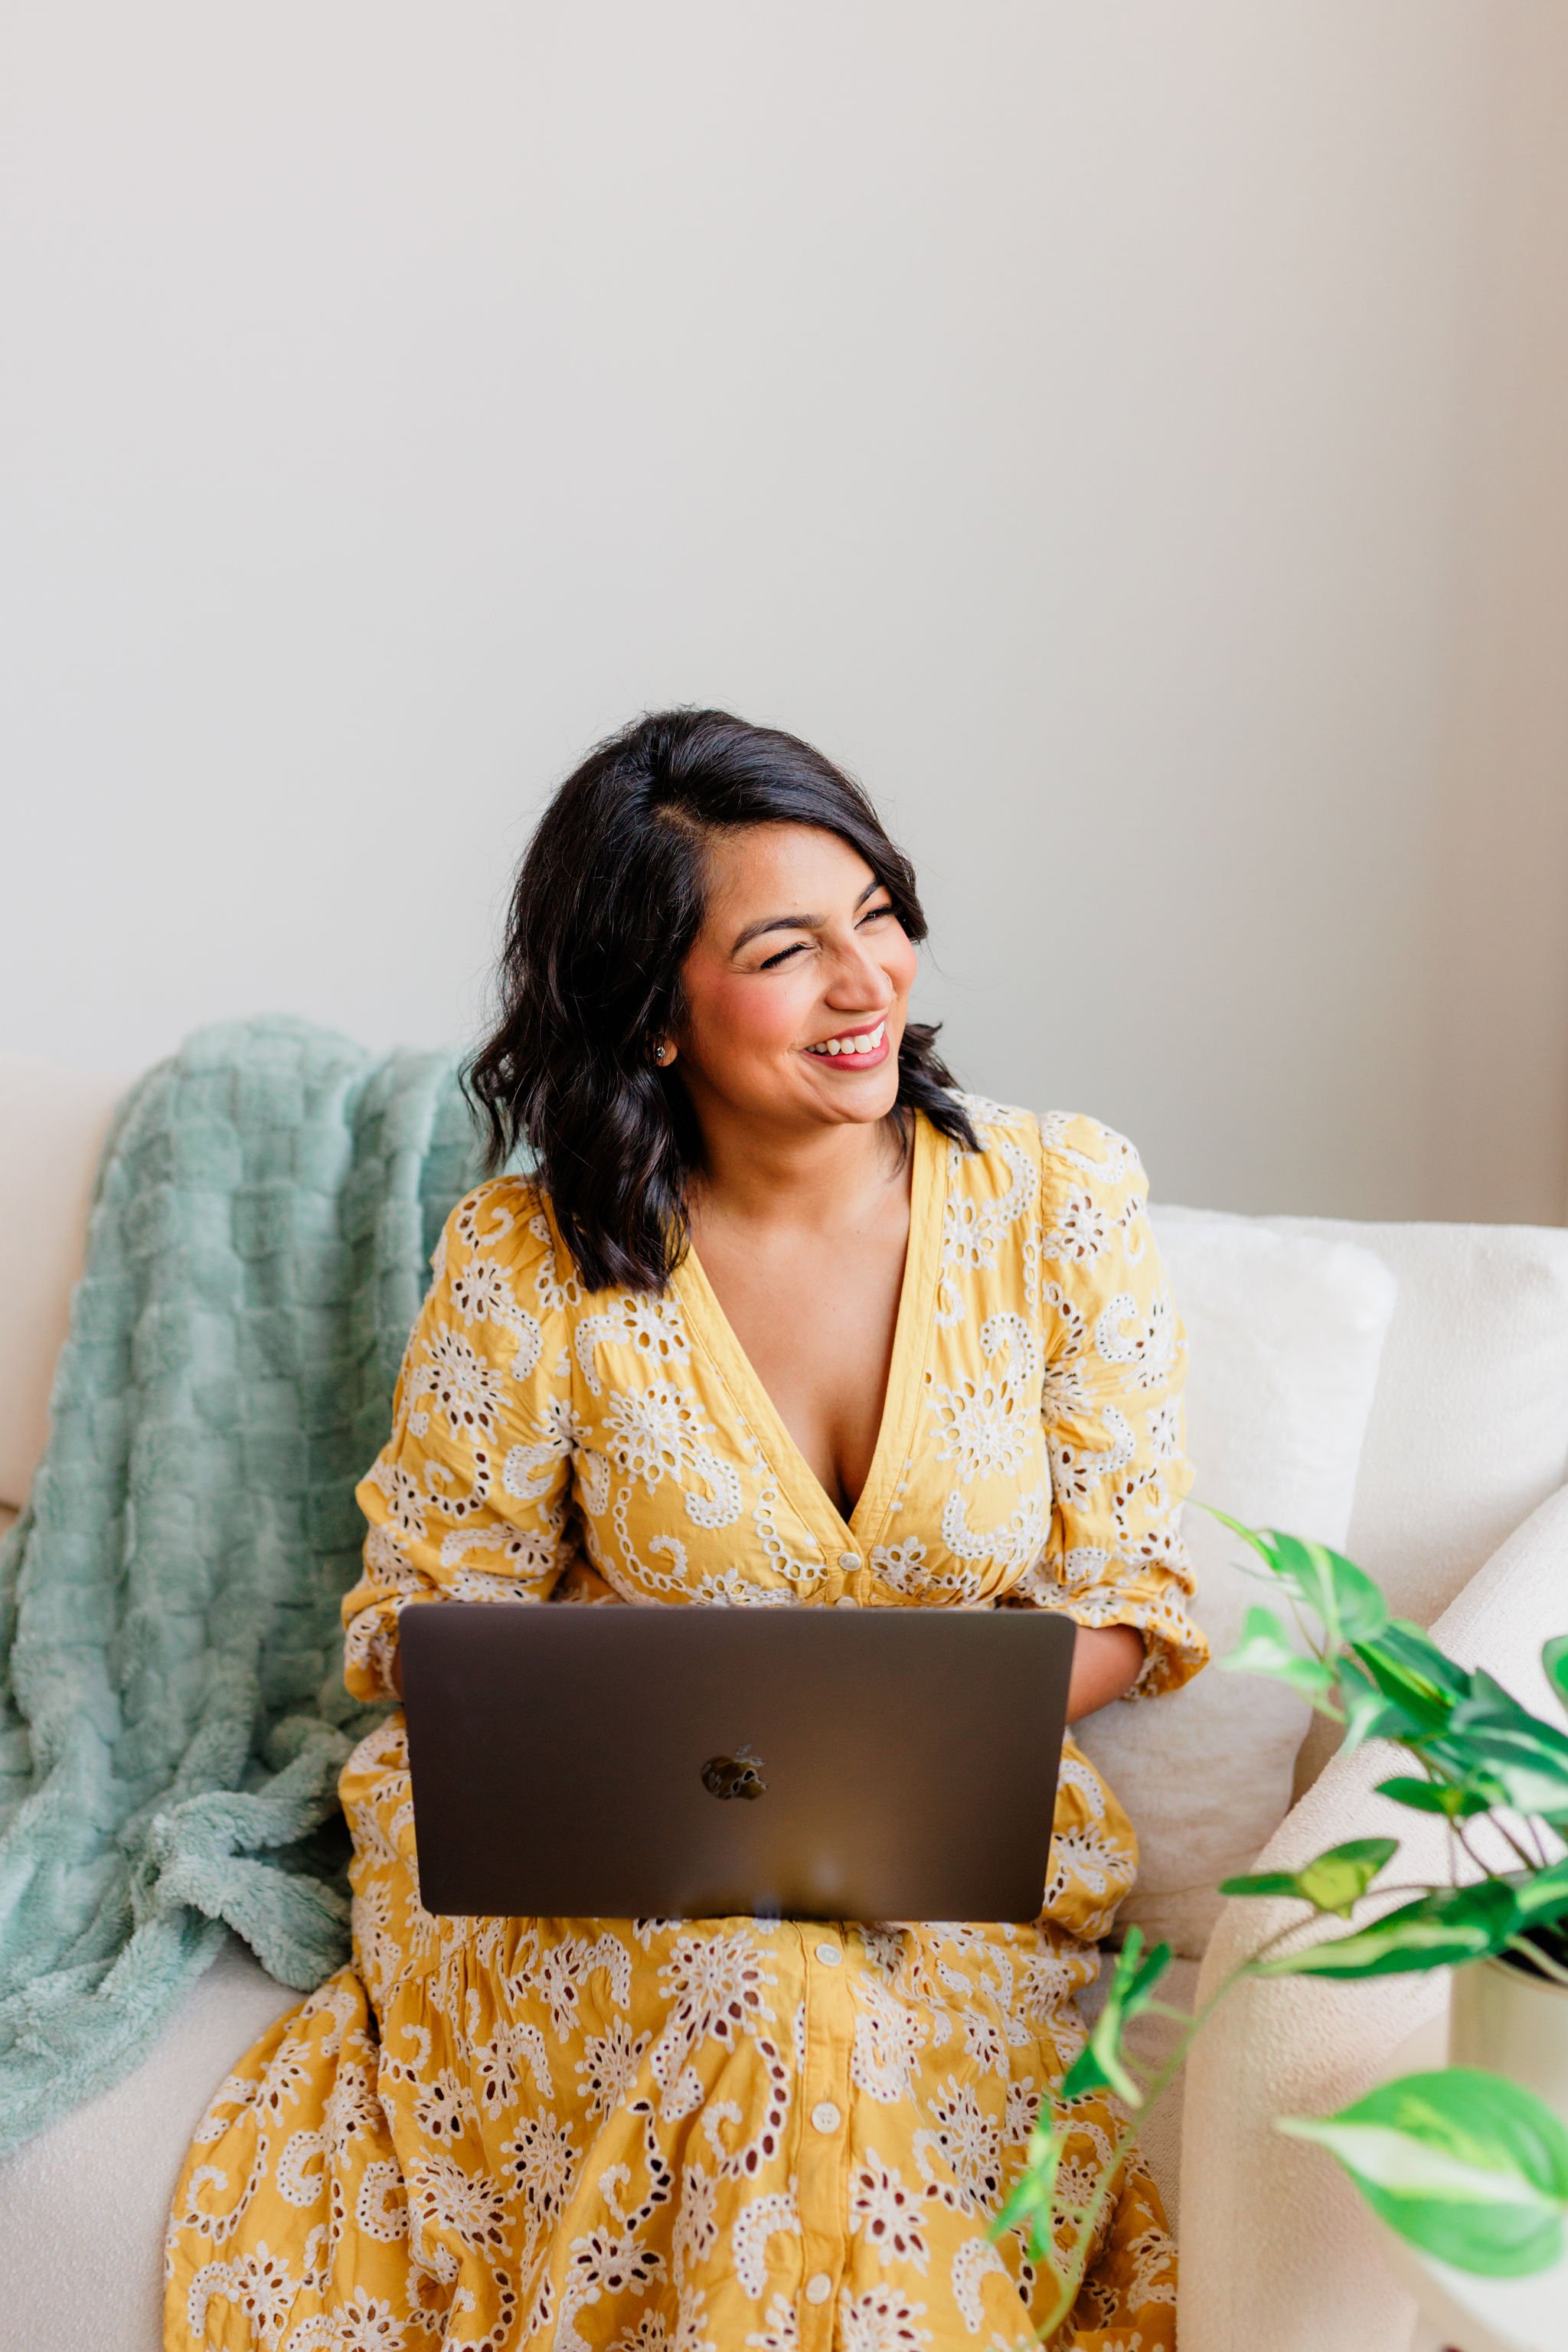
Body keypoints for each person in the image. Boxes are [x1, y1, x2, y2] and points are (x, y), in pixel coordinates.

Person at [165, 710, 1207, 2352]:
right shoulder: (532, 1257)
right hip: (596, 1880)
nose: (867, 983)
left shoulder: (1057, 1199)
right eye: (790, 949)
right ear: (654, 1015)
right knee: (769, 2006)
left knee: (810, 2019)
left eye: (878, 915)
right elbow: (421, 1615)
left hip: (943, 1886)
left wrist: (894, 1744)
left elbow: (1136, 1587)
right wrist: (678, 1732)